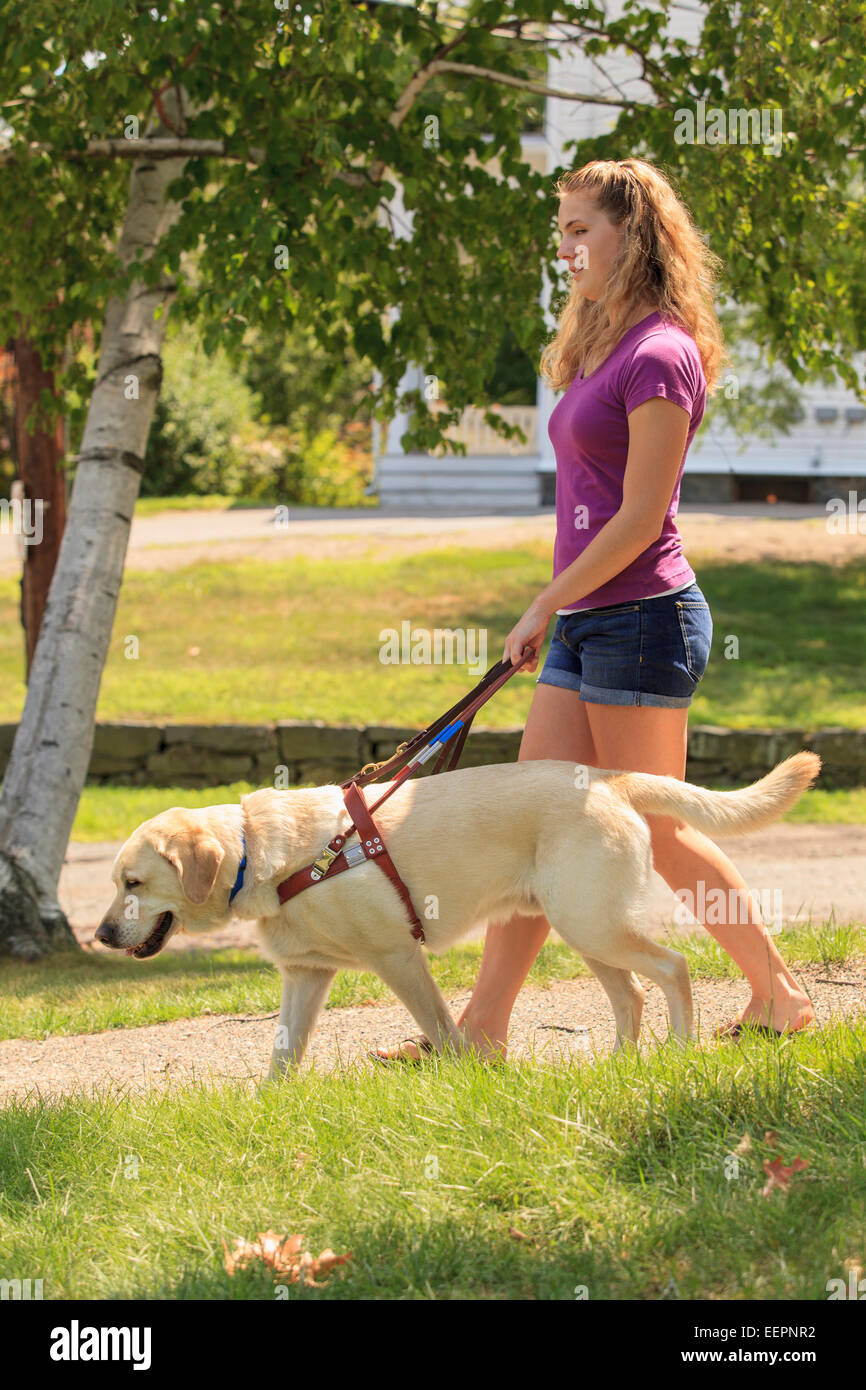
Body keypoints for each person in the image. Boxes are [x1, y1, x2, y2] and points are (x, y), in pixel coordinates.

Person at [374, 157, 815, 1064]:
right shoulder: (602, 345)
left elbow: (641, 518)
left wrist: (545, 599)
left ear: (634, 234)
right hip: (587, 620)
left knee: (656, 826)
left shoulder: (661, 354)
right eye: (561, 232)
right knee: (535, 825)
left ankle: (779, 994)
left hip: (644, 620)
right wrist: (560, 608)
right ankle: (480, 1032)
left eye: (582, 230)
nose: (567, 248)